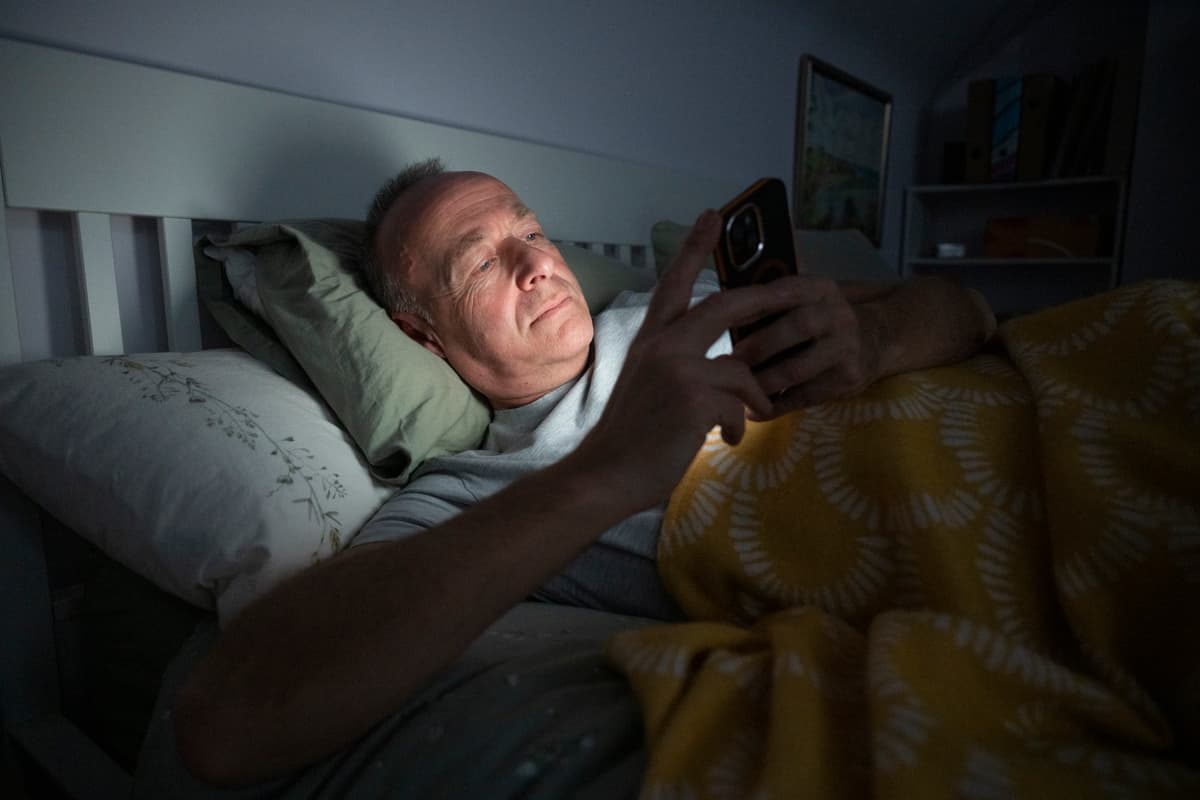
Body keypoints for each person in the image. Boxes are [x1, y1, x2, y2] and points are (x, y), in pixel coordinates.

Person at [174, 159, 996, 786]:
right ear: (421, 337)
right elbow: (228, 721)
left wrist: (876, 341)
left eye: (528, 232)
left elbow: (968, 309)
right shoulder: (478, 493)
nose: (534, 262)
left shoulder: (682, 307)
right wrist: (603, 474)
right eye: (482, 263)